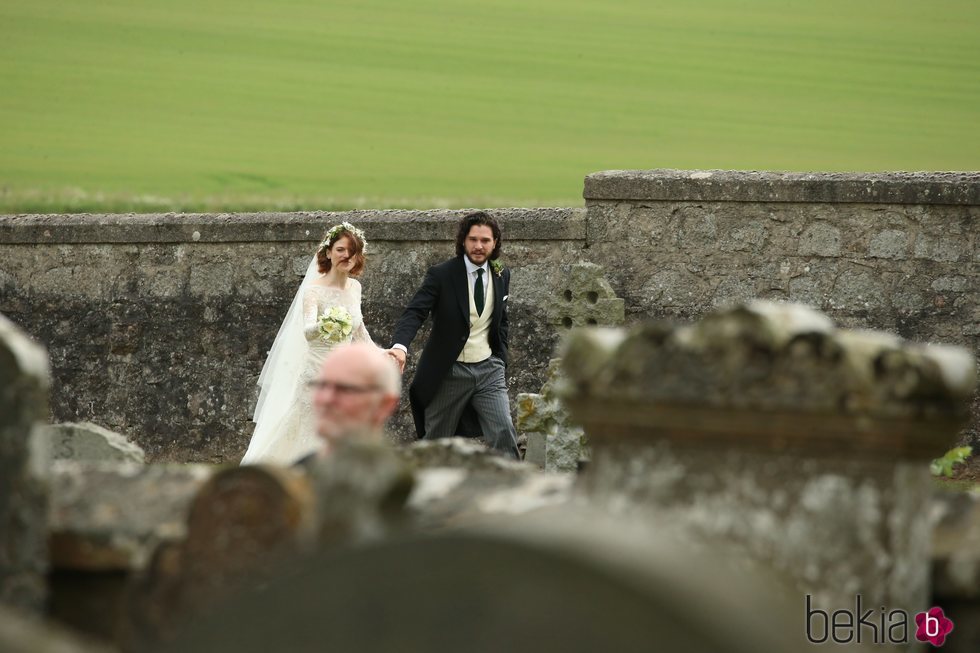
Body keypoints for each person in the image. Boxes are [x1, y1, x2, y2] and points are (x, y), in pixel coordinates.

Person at [241, 222, 376, 465]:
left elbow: (359, 332)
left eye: (352, 251)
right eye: (341, 250)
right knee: (306, 428)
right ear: (328, 253)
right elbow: (308, 331)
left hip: (345, 374)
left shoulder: (355, 288)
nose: (347, 256)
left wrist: (382, 353)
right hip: (317, 369)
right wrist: (330, 323)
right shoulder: (314, 290)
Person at [388, 211, 520, 458]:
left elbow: (502, 321)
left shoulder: (502, 273)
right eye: (473, 239)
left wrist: (501, 359)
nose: (479, 246)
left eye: (485, 240)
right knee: (436, 442)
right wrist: (400, 346)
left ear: (495, 243)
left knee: (504, 431)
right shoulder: (442, 275)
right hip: (450, 371)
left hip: (489, 369)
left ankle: (515, 493)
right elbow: (415, 312)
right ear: (463, 241)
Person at [309, 342, 401, 457]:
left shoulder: (398, 474)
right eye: (322, 385)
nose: (326, 399)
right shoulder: (299, 469)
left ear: (384, 404)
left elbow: (362, 338)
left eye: (345, 389)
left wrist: (381, 352)